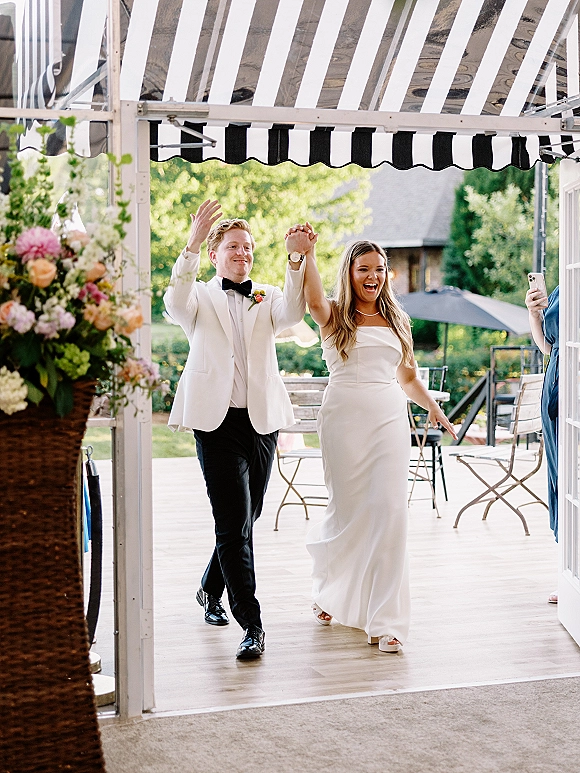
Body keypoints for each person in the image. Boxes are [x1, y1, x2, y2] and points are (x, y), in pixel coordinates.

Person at [292, 229, 456, 652]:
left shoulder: (398, 320)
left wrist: (432, 408)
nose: (373, 276)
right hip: (343, 419)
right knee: (348, 513)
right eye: (364, 269)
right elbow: (312, 300)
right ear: (349, 273)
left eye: (380, 269)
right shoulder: (334, 315)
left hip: (388, 420)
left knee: (389, 513)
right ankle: (330, 590)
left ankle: (386, 622)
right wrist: (307, 254)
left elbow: (408, 377)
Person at [164, 200, 310, 659]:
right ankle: (253, 624)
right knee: (233, 525)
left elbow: (294, 313)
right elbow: (174, 300)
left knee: (247, 518)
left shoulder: (267, 295)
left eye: (247, 246)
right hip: (216, 423)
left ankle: (210, 587)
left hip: (262, 422)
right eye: (233, 246)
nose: (242, 252)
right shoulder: (197, 297)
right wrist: (190, 243)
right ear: (214, 254)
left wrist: (296, 258)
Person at [525, 281, 559, 603]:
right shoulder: (564, 288)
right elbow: (548, 347)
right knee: (560, 481)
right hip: (555, 391)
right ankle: (569, 571)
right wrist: (534, 314)